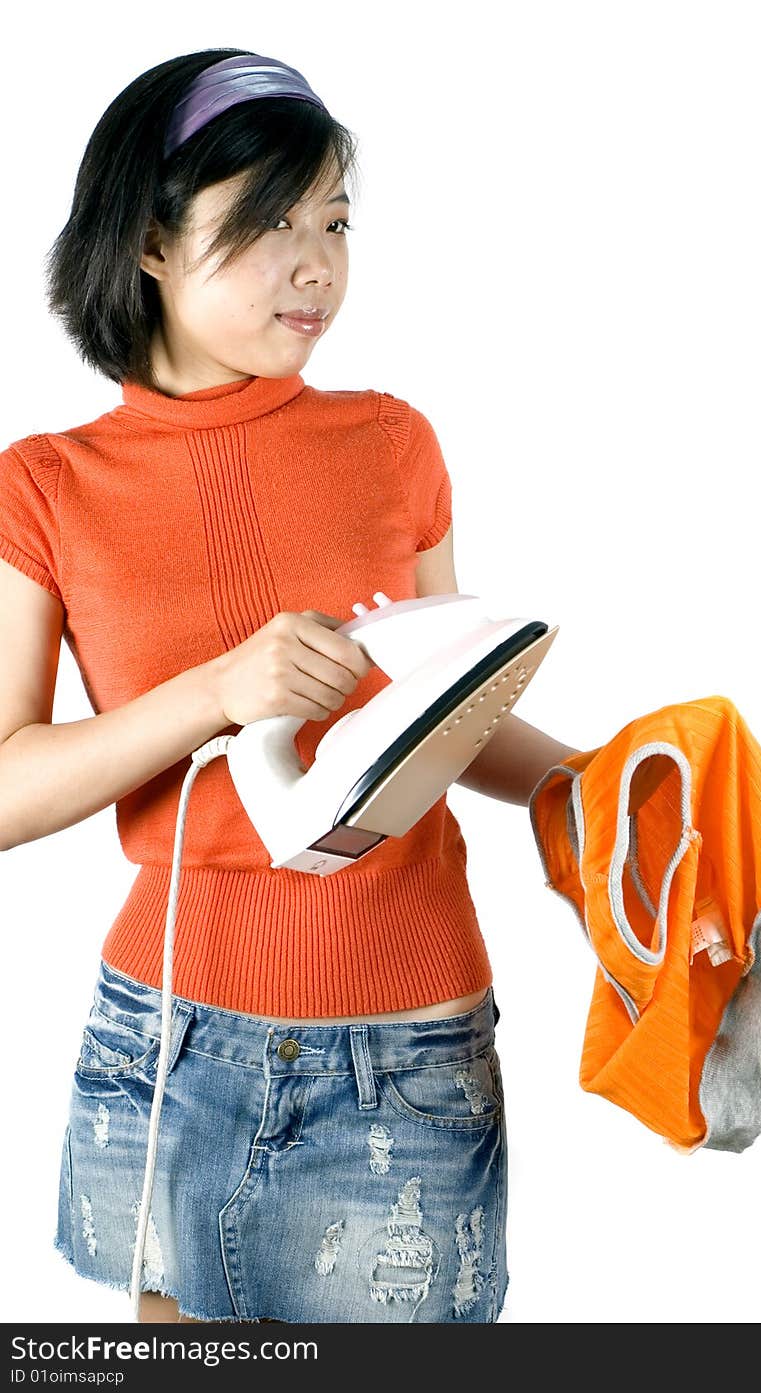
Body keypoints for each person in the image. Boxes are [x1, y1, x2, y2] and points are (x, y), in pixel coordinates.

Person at [0, 48, 585, 1324]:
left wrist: (602, 792)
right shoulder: (45, 484)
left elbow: (438, 717)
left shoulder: (391, 443)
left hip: (407, 1048)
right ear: (150, 240)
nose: (317, 264)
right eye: (268, 225)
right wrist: (220, 687)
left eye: (333, 222)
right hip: (169, 1032)